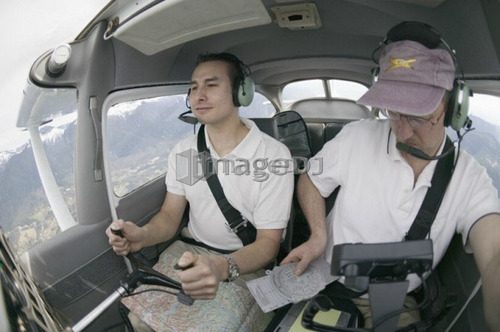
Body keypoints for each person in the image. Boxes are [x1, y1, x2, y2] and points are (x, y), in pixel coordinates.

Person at [281, 24, 500, 329]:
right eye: (394, 112)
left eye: (419, 116)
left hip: (393, 298)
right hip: (324, 278)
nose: (404, 131)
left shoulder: (469, 179)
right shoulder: (356, 137)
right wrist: (318, 235)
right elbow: (310, 182)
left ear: (453, 108)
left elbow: (493, 254)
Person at [106, 52, 294, 331]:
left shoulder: (273, 156)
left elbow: (268, 244)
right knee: (139, 319)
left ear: (241, 92)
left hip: (246, 261)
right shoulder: (184, 151)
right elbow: (170, 217)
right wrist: (142, 235)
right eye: (194, 87)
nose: (198, 95)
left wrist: (221, 267)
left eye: (211, 84)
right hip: (187, 251)